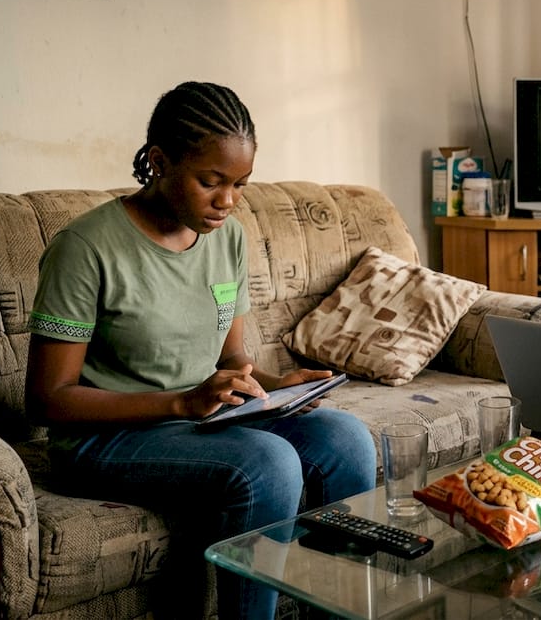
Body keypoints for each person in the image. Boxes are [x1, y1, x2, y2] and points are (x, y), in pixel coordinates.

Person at [25, 82, 377, 620]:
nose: (228, 201)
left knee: (345, 439)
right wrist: (180, 404)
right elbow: (49, 400)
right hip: (106, 439)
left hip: (199, 421)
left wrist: (275, 388)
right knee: (270, 463)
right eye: (210, 181)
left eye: (240, 184)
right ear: (159, 162)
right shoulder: (86, 248)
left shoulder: (226, 238)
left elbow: (232, 360)